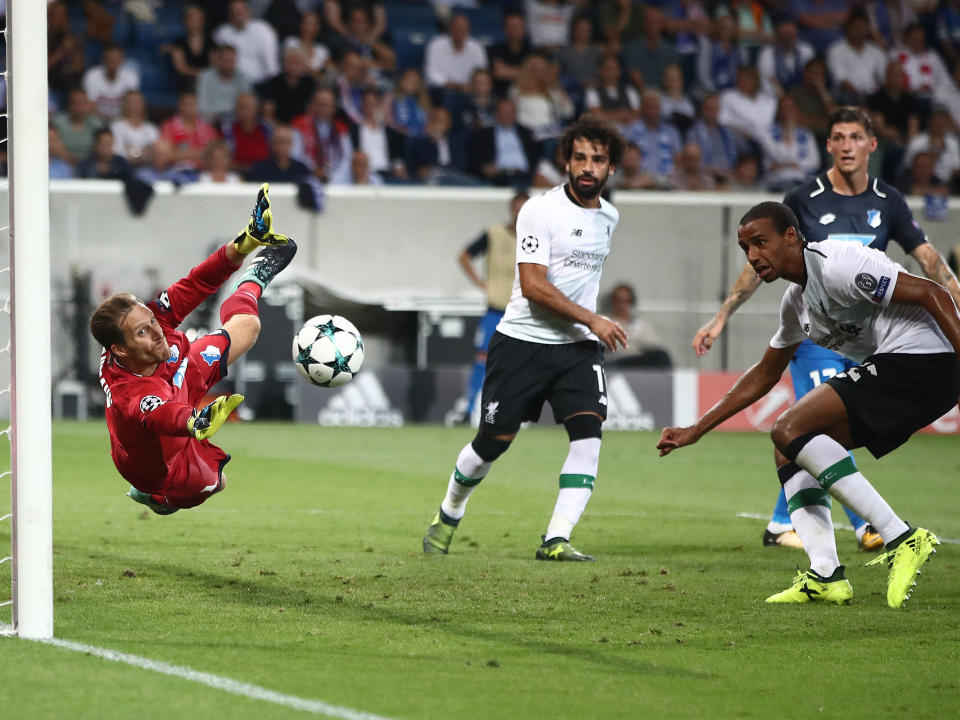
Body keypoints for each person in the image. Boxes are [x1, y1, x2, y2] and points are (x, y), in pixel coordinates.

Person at [660, 200, 955, 607]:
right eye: (746, 248)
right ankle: (826, 574)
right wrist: (696, 429)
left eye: (761, 243)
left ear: (791, 236)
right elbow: (764, 374)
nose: (753, 256)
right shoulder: (796, 304)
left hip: (925, 359)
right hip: (908, 372)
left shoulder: (836, 265)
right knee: (787, 449)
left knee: (787, 426)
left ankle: (901, 537)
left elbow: (931, 291)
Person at [692, 107, 960, 550]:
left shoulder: (883, 207)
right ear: (829, 145)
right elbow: (762, 268)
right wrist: (723, 315)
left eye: (856, 136)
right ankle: (821, 560)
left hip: (889, 343)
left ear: (872, 145)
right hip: (828, 334)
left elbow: (929, 267)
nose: (847, 144)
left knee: (799, 431)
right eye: (838, 136)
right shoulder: (802, 201)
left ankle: (878, 530)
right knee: (797, 433)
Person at [422, 115, 627, 561]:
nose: (587, 167)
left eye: (598, 159)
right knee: (491, 444)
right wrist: (593, 319)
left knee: (588, 436)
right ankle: (449, 512)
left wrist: (587, 327)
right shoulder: (539, 210)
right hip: (521, 343)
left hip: (576, 349)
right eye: (579, 158)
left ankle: (556, 539)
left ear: (612, 168)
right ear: (566, 162)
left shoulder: (609, 217)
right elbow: (533, 288)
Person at [91, 185, 298, 514]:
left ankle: (256, 275)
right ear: (120, 350)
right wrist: (194, 421)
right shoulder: (129, 393)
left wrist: (245, 242)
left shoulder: (152, 322)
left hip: (178, 374)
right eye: (143, 331)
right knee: (217, 483)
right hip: (161, 463)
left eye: (152, 322)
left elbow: (197, 282)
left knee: (248, 327)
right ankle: (155, 499)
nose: (157, 331)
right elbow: (163, 414)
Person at [450, 191, 530, 425]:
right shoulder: (494, 234)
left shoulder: (535, 239)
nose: (520, 213)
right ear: (511, 209)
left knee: (520, 362)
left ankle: (517, 412)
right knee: (483, 359)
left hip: (522, 311)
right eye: (517, 208)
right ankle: (470, 408)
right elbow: (464, 255)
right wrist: (479, 282)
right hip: (495, 309)